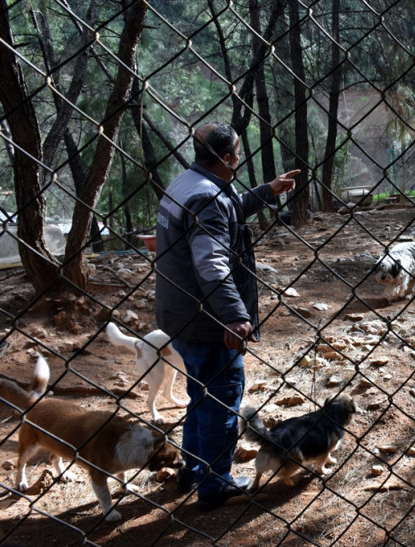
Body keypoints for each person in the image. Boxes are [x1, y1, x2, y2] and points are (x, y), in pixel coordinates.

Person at [155, 122, 298, 510]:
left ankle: (192, 469)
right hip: (208, 323)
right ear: (231, 158)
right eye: (238, 151)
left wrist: (268, 191)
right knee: (220, 401)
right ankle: (215, 483)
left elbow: (226, 210)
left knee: (200, 396)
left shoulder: (188, 181)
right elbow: (211, 261)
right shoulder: (207, 196)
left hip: (180, 313)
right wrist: (234, 316)